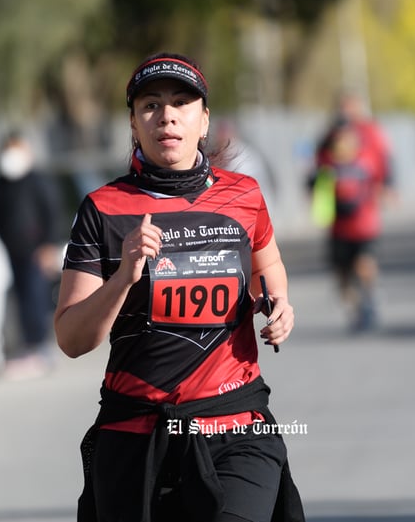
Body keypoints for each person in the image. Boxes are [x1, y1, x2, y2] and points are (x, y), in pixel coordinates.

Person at [54, 52, 305, 522]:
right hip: (137, 435)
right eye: (150, 105)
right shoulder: (103, 209)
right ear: (133, 122)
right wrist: (125, 275)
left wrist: (280, 303)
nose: (166, 115)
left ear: (204, 119)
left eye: (181, 102)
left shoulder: (243, 194)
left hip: (236, 424)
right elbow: (71, 339)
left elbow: (266, 265)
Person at [312, 90, 393, 333]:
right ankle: (356, 307)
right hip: (338, 223)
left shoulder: (368, 143)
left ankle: (369, 298)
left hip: (364, 221)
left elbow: (383, 165)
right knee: (342, 274)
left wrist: (386, 188)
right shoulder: (327, 148)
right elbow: (316, 178)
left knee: (365, 262)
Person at [0, 131, 63, 379]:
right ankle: (27, 347)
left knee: (35, 299)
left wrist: (49, 245)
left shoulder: (37, 181)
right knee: (19, 300)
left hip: (36, 252)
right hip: (9, 253)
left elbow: (53, 213)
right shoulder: (1, 183)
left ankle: (40, 349)